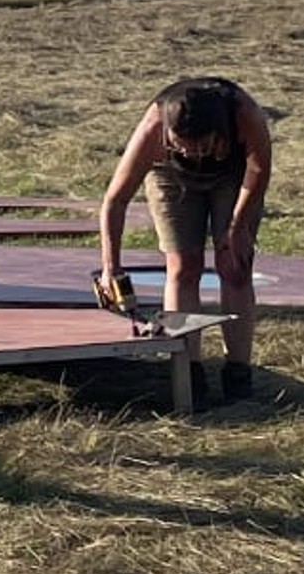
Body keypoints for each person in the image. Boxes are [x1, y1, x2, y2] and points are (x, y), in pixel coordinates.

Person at [96, 74, 275, 399]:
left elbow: (259, 170)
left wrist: (238, 228)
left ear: (217, 134)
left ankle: (238, 373)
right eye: (181, 146)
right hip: (169, 176)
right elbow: (115, 200)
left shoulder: (245, 114)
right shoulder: (153, 128)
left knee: (234, 266)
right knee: (183, 265)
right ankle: (188, 371)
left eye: (200, 147)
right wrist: (111, 269)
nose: (192, 154)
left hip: (232, 173)